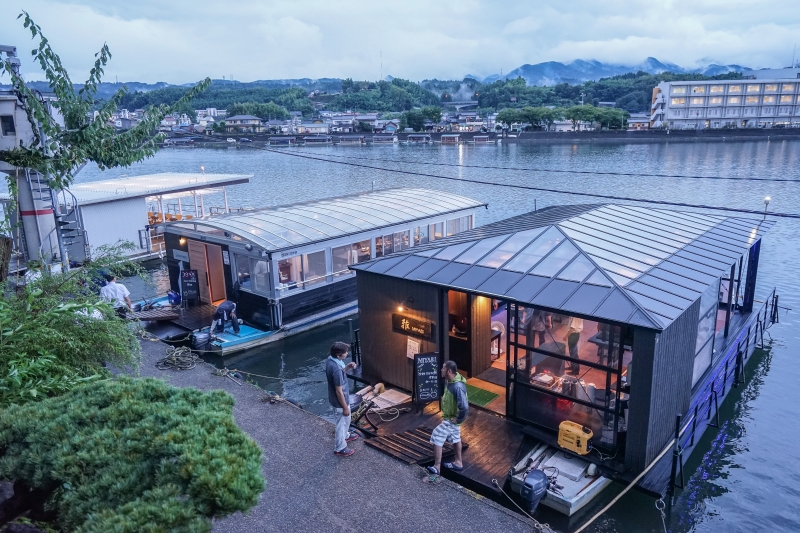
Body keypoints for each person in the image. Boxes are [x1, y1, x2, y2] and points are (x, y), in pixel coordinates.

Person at [427, 360, 469, 476]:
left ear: (449, 371)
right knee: (456, 438)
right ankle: (458, 462)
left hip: (451, 419)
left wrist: (458, 419)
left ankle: (437, 466)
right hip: (450, 418)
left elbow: (464, 407)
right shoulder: (450, 381)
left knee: (437, 435)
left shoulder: (458, 386)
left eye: (443, 368)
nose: (441, 370)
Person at [326, 341, 358, 457]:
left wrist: (348, 366)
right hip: (340, 402)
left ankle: (345, 436)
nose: (347, 354)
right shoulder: (337, 369)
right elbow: (339, 391)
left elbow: (339, 375)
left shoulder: (331, 361)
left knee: (346, 421)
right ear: (339, 355)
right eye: (345, 353)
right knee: (342, 423)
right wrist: (345, 407)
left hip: (335, 400)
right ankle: (340, 447)